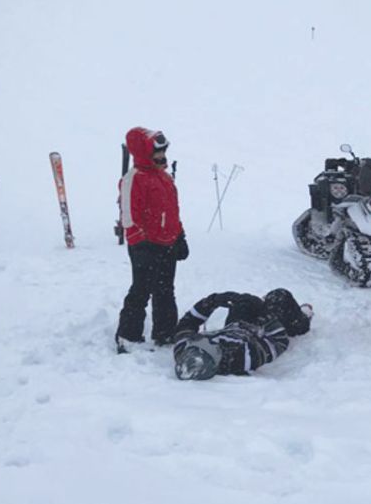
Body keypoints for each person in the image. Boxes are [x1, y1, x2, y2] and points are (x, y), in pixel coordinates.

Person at [115, 127, 189, 353]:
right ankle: (128, 336)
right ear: (144, 154)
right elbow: (129, 216)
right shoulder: (133, 179)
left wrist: (180, 236)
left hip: (167, 243)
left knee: (165, 290)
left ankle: (165, 332)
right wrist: (140, 243)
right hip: (145, 246)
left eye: (164, 152)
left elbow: (172, 211)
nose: (162, 156)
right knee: (141, 289)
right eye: (157, 153)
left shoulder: (165, 178)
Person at [173, 289, 313, 380]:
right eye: (209, 344)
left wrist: (212, 301)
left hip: (236, 325)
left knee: (244, 301)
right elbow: (279, 340)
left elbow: (187, 323)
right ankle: (301, 319)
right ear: (217, 355)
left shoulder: (185, 348)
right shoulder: (242, 356)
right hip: (261, 330)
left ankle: (258, 304)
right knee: (280, 296)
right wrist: (267, 316)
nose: (206, 339)